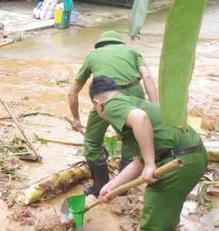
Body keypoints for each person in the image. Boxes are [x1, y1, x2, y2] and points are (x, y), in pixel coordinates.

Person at [89, 76, 207, 231]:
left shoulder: (111, 105)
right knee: (166, 211)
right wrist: (111, 185)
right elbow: (140, 161)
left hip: (176, 162)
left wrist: (152, 164)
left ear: (97, 105)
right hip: (192, 156)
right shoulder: (132, 100)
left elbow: (140, 120)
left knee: (155, 222)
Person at [67, 30, 158, 195]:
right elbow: (147, 77)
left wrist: (76, 118)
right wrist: (155, 107)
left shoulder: (93, 56)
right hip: (134, 94)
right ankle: (123, 189)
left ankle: (99, 187)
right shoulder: (133, 51)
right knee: (132, 143)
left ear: (101, 44)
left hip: (106, 98)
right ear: (119, 43)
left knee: (92, 143)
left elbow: (72, 92)